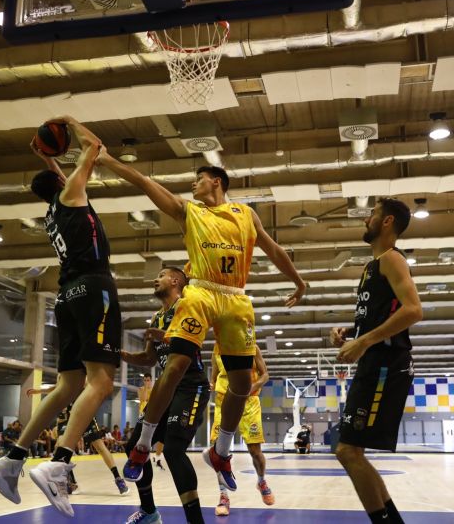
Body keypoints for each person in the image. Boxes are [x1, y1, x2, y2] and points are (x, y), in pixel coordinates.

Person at [97, 151, 306, 497]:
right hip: (201, 292)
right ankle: (144, 443)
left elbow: (273, 248)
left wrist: (299, 282)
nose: (194, 183)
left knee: (242, 381)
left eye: (200, 177)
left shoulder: (246, 215)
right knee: (176, 364)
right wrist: (108, 161)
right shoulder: (189, 211)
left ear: (217, 181)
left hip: (236, 298)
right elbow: (145, 182)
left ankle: (220, 452)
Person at [0, 117, 122, 518]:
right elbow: (93, 146)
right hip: (93, 288)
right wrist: (69, 122)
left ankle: (11, 460)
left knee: (67, 385)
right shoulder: (70, 198)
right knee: (101, 381)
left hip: (66, 296)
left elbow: (63, 178)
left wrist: (46, 158)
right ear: (63, 186)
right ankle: (59, 463)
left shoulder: (54, 211)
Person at [330, 197, 422, 524]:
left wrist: (365, 341)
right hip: (376, 363)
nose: (367, 218)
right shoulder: (373, 266)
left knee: (347, 451)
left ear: (386, 222)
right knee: (352, 452)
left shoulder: (393, 259)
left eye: (373, 214)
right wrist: (351, 331)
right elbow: (383, 313)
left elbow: (414, 310)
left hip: (387, 364)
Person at [120, 266, 210, 524]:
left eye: (160, 275)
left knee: (173, 450)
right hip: (166, 389)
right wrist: (121, 354)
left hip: (191, 386)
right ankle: (149, 512)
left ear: (174, 280)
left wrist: (166, 337)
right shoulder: (157, 316)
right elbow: (149, 358)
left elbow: (192, 342)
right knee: (133, 444)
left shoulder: (188, 305)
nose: (154, 279)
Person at [210, 344, 274, 517]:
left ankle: (261, 481)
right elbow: (214, 378)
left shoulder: (252, 347)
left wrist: (252, 387)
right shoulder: (217, 349)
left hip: (249, 400)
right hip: (224, 399)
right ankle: (223, 496)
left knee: (255, 451)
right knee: (218, 452)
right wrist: (209, 383)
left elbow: (265, 375)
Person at [139, 375, 166, 470]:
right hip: (143, 416)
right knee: (144, 439)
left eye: (148, 380)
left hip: (153, 416)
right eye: (145, 380)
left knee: (161, 437)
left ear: (151, 380)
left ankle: (158, 458)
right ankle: (143, 459)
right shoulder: (141, 389)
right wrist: (146, 387)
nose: (147, 381)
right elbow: (144, 399)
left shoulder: (155, 389)